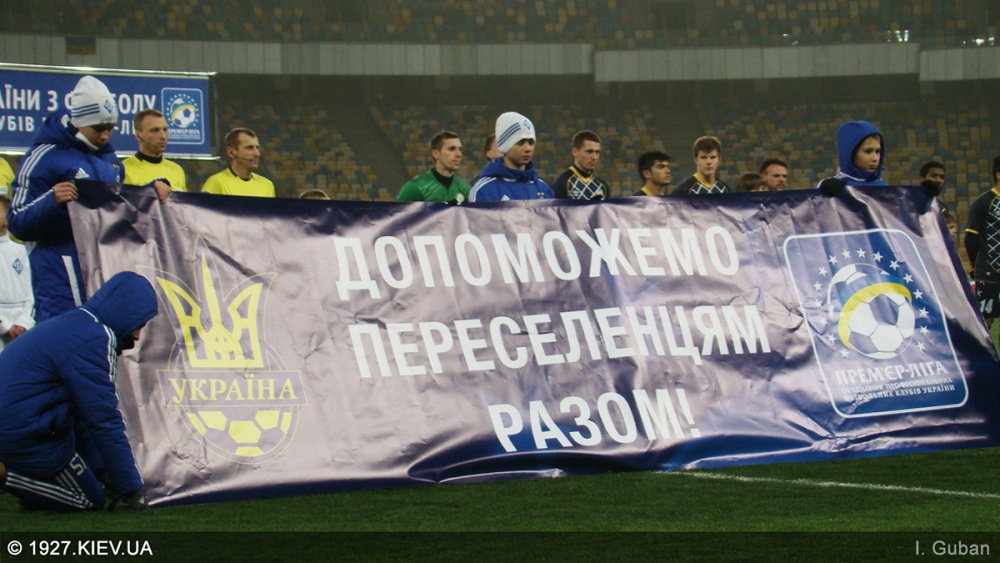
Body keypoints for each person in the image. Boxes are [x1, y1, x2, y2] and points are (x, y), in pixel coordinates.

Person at [0, 271, 157, 511]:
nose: (137, 335)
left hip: (18, 423)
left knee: (80, 462)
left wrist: (103, 470)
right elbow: (104, 419)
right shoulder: (95, 339)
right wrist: (132, 489)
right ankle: (7, 475)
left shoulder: (76, 323)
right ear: (125, 313)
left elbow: (82, 412)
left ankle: (33, 488)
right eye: (139, 325)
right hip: (19, 433)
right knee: (89, 499)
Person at [7, 75, 126, 323]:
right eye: (98, 128)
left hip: (102, 274)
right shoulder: (44, 157)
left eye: (110, 127)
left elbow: (121, 210)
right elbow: (17, 221)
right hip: (59, 280)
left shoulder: (111, 162)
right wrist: (53, 201)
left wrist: (151, 192)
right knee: (62, 340)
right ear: (79, 121)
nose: (105, 135)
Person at [469, 112, 553, 202]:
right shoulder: (484, 190)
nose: (528, 148)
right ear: (505, 145)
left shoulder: (543, 188)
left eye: (531, 143)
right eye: (520, 143)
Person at [965, 156, 1000, 329]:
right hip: (989, 272)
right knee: (986, 320)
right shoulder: (984, 202)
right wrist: (976, 265)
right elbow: (970, 237)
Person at [122, 108, 187, 200]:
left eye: (165, 130)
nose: (163, 136)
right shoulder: (124, 170)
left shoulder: (177, 170)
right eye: (155, 130)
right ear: (138, 135)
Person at [396, 130, 471, 204]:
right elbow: (397, 211)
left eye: (460, 149)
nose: (459, 154)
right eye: (451, 149)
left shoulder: (465, 188)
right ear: (435, 154)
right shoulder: (416, 187)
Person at [201, 128, 275, 198]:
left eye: (257, 148)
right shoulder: (216, 183)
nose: (257, 154)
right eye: (249, 148)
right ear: (231, 152)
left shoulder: (267, 185)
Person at [0, 195, 33, 351]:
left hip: (22, 327)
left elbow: (31, 291)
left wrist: (24, 322)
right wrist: (5, 326)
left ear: (6, 220)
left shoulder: (21, 251)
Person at [817, 121, 888, 192]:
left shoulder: (884, 187)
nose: (875, 158)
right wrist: (823, 193)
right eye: (868, 151)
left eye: (878, 151)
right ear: (850, 153)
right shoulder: (830, 187)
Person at [551, 130, 611, 201]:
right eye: (589, 152)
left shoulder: (602, 186)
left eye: (597, 152)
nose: (594, 157)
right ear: (575, 152)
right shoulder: (562, 182)